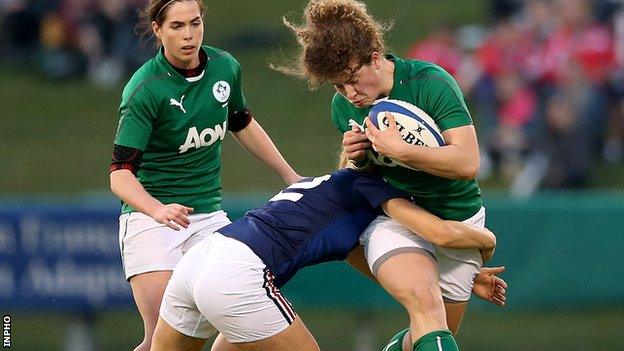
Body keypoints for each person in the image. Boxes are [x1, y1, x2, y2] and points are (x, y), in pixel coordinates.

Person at [277, 1, 495, 350]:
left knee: (429, 336)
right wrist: (358, 158)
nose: (350, 94)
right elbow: (360, 178)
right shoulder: (344, 106)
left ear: (375, 57)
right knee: (426, 307)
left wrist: (401, 150)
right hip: (396, 218)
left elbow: (467, 163)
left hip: (458, 218)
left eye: (352, 80)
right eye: (338, 87)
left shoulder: (430, 82)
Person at [108, 1, 300, 350]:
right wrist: (157, 210)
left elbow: (241, 123)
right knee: (160, 341)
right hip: (151, 222)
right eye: (177, 26)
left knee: (245, 308)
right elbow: (120, 176)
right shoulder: (145, 88)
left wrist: (290, 175)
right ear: (158, 29)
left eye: (195, 24)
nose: (188, 35)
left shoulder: (225, 67)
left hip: (209, 217)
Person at [150, 168, 501, 351]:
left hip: (202, 260)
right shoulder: (372, 187)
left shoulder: (329, 187)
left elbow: (383, 265)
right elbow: (442, 234)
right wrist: (487, 240)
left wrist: (463, 276)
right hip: (239, 275)